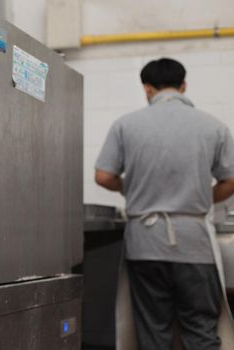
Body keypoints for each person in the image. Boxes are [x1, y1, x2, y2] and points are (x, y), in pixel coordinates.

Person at [95, 57, 234, 350]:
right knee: (200, 330)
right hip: (195, 245)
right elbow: (231, 181)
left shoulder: (125, 125)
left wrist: (129, 188)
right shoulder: (214, 127)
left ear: (147, 89)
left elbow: (103, 176)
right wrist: (198, 197)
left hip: (145, 245)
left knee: (154, 332)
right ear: (183, 86)